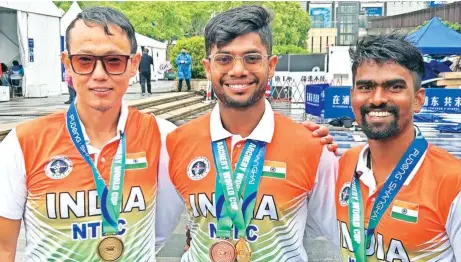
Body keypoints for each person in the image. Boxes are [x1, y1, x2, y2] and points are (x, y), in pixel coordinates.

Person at [0, 6, 184, 261]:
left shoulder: (164, 137)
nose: (99, 75)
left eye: (114, 61)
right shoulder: (22, 143)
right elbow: (3, 248)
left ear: (133, 64)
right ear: (67, 64)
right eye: (85, 60)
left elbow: (163, 228)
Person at [164, 6, 339, 261]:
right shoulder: (178, 142)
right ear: (207, 67)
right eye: (224, 59)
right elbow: (159, 228)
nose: (237, 70)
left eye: (251, 58)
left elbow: (343, 234)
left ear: (271, 65)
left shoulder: (311, 146)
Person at [335, 34, 461, 261]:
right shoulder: (346, 163)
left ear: (418, 99)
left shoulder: (454, 182)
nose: (377, 99)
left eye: (394, 87)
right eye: (366, 86)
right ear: (352, 96)